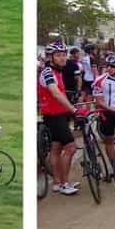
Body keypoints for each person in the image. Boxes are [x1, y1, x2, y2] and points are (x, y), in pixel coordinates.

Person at [38, 42, 78, 195]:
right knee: (71, 147)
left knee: (56, 148)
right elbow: (55, 93)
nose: (62, 58)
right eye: (58, 55)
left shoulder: (58, 71)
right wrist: (73, 109)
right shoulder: (48, 72)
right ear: (50, 57)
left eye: (64, 55)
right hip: (54, 115)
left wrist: (69, 109)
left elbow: (62, 93)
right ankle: (64, 184)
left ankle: (57, 182)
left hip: (59, 114)